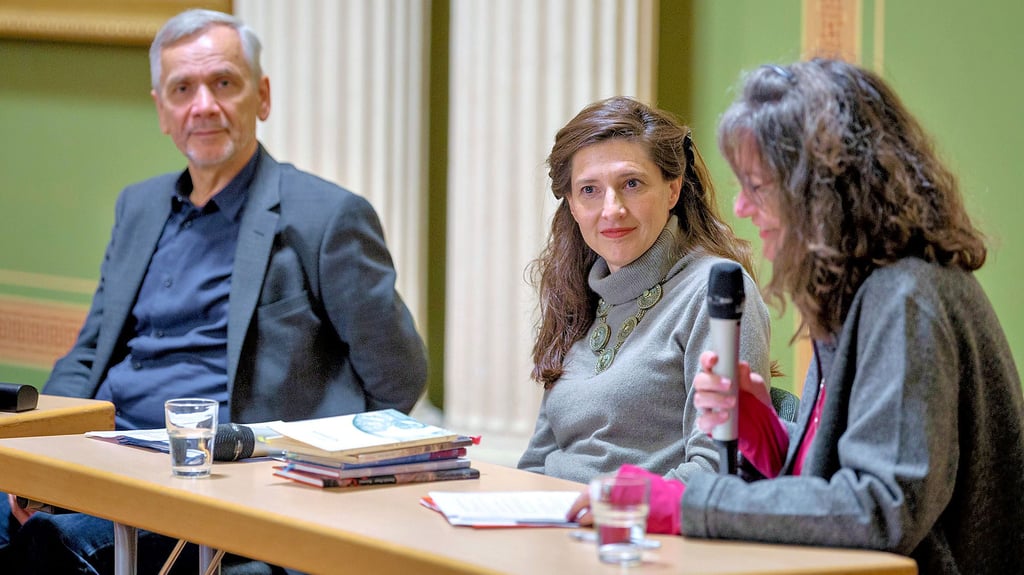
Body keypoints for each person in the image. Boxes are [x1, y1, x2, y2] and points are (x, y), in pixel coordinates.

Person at [0, 8, 427, 575]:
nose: (203, 105)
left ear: (262, 97)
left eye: (224, 83)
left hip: (219, 481)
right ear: (162, 109)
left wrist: (323, 478)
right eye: (183, 89)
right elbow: (90, 353)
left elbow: (399, 375)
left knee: (55, 542)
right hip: (106, 457)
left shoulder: (326, 217)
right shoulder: (139, 206)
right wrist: (36, 455)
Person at [568, 59, 1024, 573]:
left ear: (823, 191)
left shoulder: (907, 297)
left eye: (758, 187)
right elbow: (842, 480)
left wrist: (684, 504)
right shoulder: (864, 291)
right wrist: (771, 438)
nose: (742, 207)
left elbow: (879, 510)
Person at [516, 96, 772, 484]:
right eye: (589, 190)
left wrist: (607, 504)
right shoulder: (579, 293)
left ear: (673, 190)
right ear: (571, 205)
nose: (612, 209)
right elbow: (537, 462)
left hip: (640, 519)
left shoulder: (714, 293)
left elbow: (719, 469)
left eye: (631, 184)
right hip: (555, 514)